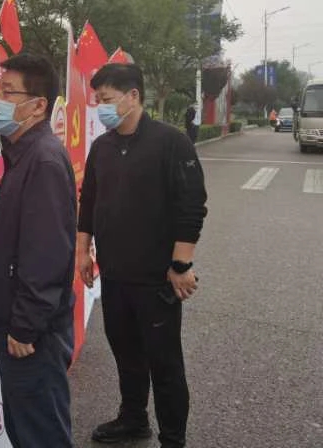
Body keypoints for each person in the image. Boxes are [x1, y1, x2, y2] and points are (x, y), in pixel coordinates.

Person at [77, 64, 208, 448]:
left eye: (106, 99)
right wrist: (83, 251)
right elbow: (89, 202)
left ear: (133, 96)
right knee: (126, 354)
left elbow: (192, 206)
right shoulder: (102, 146)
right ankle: (133, 419)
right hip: (114, 275)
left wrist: (181, 265)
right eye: (97, 100)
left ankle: (173, 439)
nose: (101, 107)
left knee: (164, 364)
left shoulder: (171, 142)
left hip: (156, 280)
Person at [0, 53, 77, 448]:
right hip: (18, 323)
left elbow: (46, 254)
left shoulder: (43, 160)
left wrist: (25, 325)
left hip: (31, 336)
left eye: (7, 92)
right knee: (25, 428)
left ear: (38, 106)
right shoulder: (22, 154)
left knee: (40, 433)